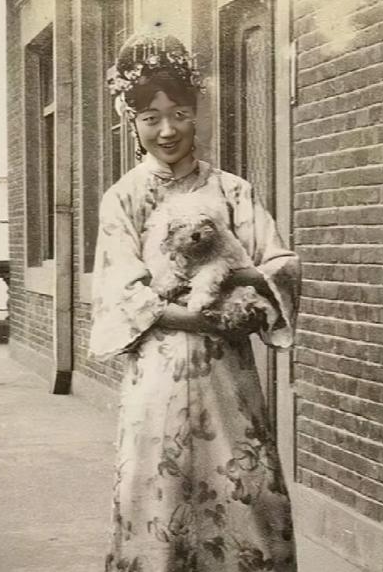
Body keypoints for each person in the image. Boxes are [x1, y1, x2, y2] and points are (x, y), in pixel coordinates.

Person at [89, 32, 301, 572]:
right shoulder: (124, 198)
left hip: (226, 375)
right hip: (157, 376)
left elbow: (279, 265)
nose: (167, 130)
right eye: (151, 118)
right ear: (132, 121)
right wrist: (195, 315)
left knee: (247, 493)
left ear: (196, 114)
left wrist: (239, 285)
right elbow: (122, 290)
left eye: (179, 114)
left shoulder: (233, 192)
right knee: (157, 497)